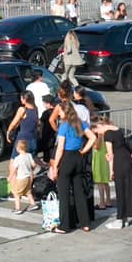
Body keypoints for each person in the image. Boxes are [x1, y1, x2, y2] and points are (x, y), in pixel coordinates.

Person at [49, 97, 95, 234]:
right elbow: (92, 137)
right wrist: (84, 150)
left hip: (67, 158)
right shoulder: (80, 123)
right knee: (79, 192)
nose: (59, 114)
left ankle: (64, 225)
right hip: (78, 157)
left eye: (60, 112)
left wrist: (55, 166)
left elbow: (60, 148)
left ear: (65, 112)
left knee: (64, 194)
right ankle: (85, 223)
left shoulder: (64, 126)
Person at [97, 111, 132, 228]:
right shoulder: (117, 129)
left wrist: (111, 171)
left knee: (120, 190)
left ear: (100, 126)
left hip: (119, 162)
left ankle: (120, 219)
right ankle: (125, 217)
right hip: (126, 159)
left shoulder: (107, 135)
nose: (97, 133)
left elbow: (110, 155)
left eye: (96, 131)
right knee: (127, 188)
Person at [7, 138, 39, 214]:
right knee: (28, 192)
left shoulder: (17, 159)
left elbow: (14, 169)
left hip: (21, 178)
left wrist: (9, 177)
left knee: (16, 193)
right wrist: (32, 170)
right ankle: (33, 204)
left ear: (18, 148)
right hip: (28, 177)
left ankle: (17, 208)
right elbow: (34, 165)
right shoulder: (29, 155)